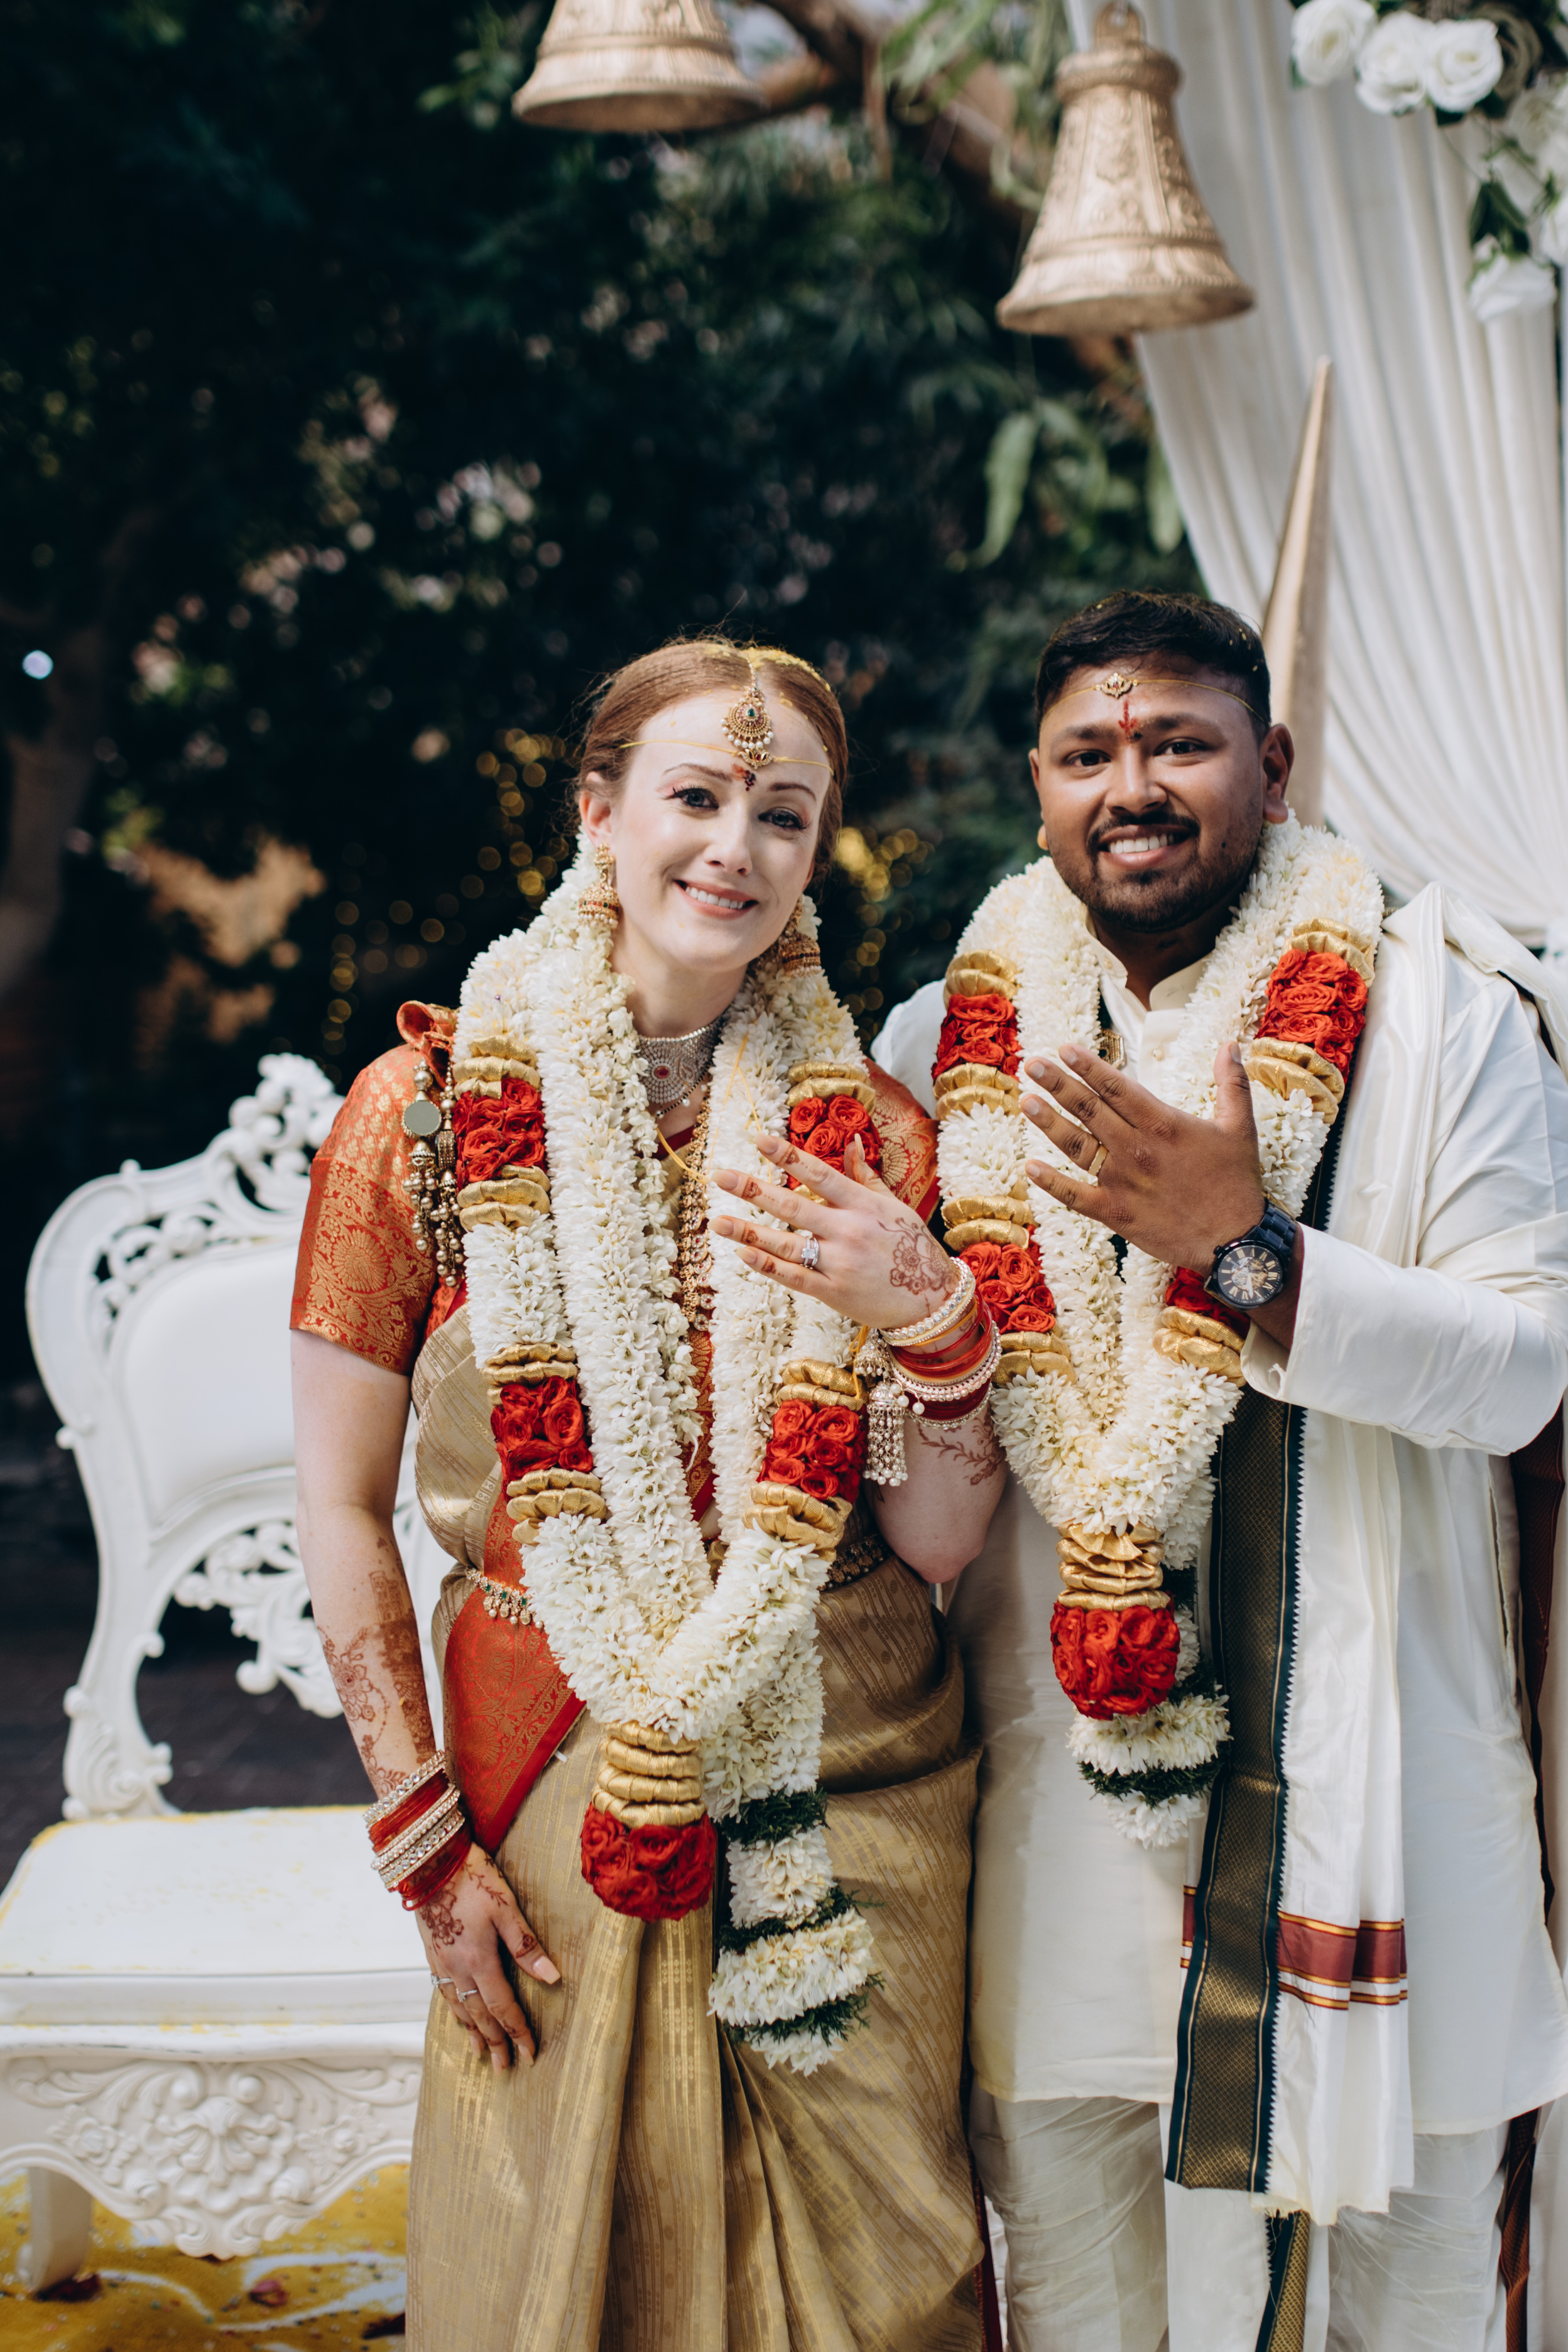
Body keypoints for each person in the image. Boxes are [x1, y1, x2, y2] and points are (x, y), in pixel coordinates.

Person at [290, 636, 1008, 2352]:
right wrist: (424, 1846)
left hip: (849, 1759)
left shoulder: (872, 1137)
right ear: (599, 813)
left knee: (885, 2275)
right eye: (697, 796)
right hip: (558, 1755)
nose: (735, 849)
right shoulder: (427, 1117)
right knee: (559, 2259)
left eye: (784, 813)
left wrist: (934, 1319)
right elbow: (338, 1507)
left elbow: (935, 1542)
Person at [873, 589, 1568, 2352]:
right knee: (1081, 2287)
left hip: (1378, 1783)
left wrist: (1249, 1254)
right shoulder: (934, 1050)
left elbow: (1527, 1373)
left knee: (1407, 2293)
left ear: (1273, 762)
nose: (1135, 787)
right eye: (1088, 754)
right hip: (1058, 1797)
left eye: (1180, 743)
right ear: (1036, 789)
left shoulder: (1441, 1019)